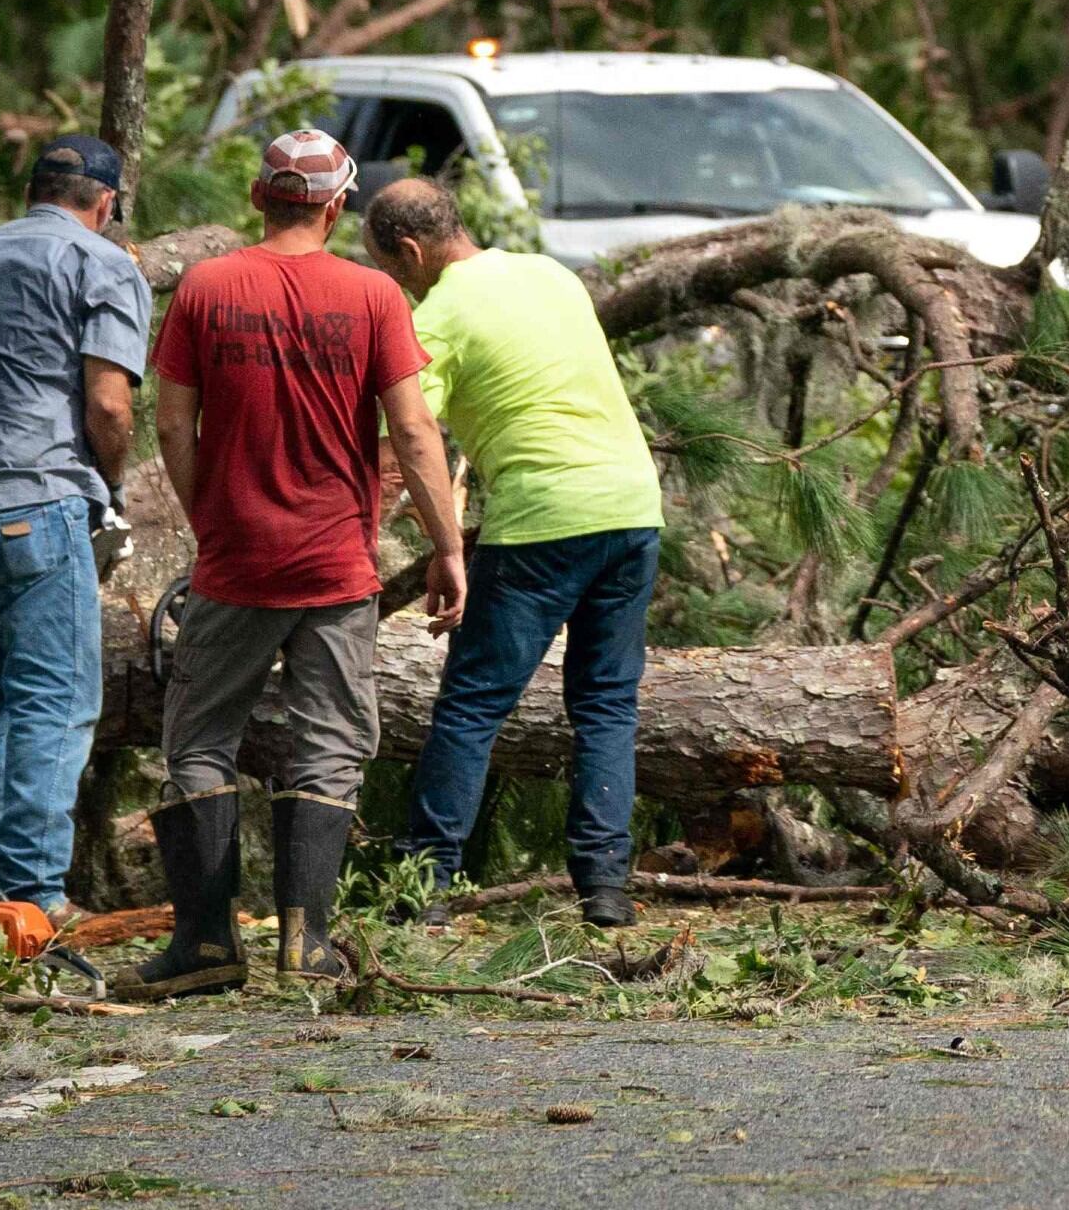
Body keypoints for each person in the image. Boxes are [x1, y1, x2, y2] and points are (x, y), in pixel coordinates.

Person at [114, 126, 468, 1000]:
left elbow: (169, 425)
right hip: (334, 563)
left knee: (199, 740)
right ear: (339, 204)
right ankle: (305, 944)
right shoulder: (373, 296)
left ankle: (204, 945)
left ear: (258, 195)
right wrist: (449, 545)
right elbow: (415, 432)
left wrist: (214, 523)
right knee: (332, 746)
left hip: (236, 563)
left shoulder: (205, 287)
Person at [360, 177, 665, 929]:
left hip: (543, 521)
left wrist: (401, 542)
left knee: (471, 704)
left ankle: (424, 886)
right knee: (605, 703)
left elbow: (405, 441)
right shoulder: (549, 273)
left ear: (410, 249)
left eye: (397, 270)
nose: (401, 285)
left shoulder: (438, 317)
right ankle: (605, 888)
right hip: (632, 507)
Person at [0, 132, 151, 946]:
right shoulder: (101, 262)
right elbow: (109, 404)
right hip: (37, 496)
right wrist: (111, 490)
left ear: (31, 191)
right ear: (105, 204)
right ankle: (34, 895)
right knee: (56, 697)